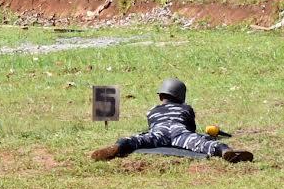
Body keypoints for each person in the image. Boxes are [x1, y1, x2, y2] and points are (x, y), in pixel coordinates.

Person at [90, 79, 254, 163]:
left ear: (161, 96)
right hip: (179, 132)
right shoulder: (186, 108)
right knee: (203, 143)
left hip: (158, 131)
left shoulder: (152, 111)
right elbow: (191, 128)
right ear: (181, 97)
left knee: (134, 140)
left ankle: (117, 147)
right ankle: (225, 150)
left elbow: (151, 126)